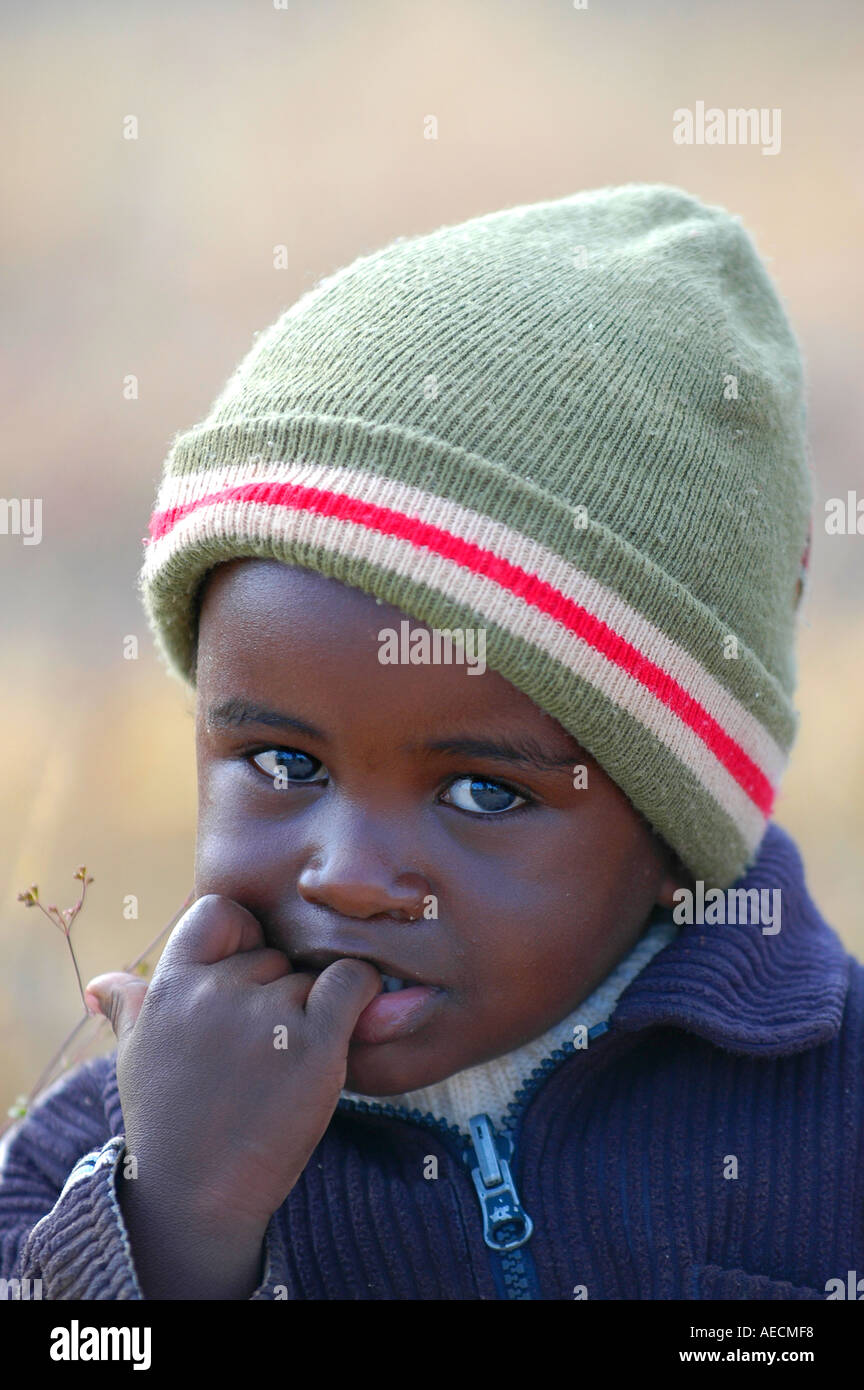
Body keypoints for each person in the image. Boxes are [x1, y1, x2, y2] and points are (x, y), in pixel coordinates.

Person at [2, 184, 860, 1301]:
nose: (351, 878)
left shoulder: (832, 1118)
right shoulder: (96, 1158)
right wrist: (171, 1228)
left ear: (673, 831)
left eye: (481, 790)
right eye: (284, 764)